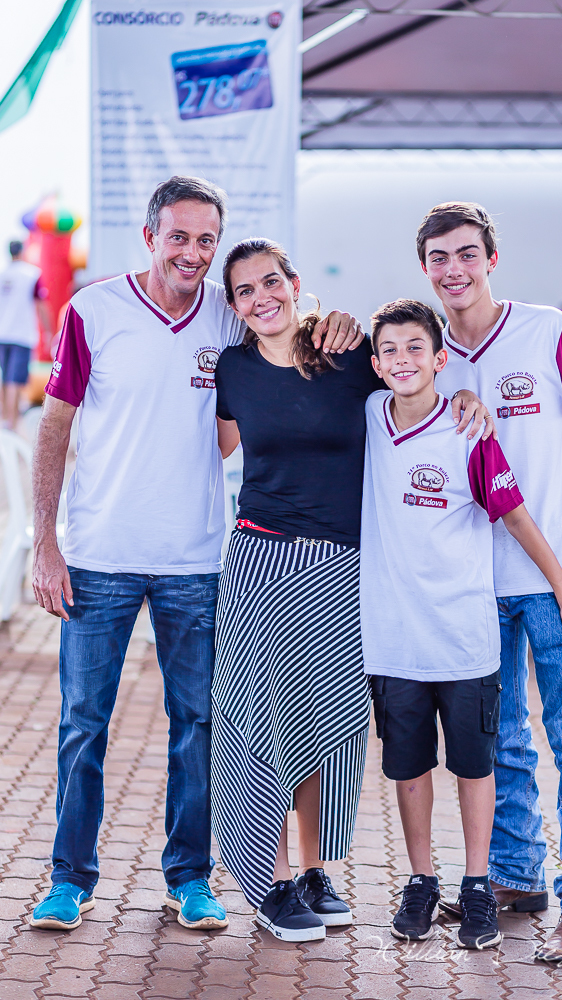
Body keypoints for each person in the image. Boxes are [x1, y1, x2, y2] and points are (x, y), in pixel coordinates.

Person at [29, 176, 363, 933]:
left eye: (206, 239)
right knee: (83, 723)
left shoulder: (228, 312)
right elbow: (55, 426)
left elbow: (288, 334)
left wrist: (338, 320)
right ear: (150, 236)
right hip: (99, 555)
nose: (193, 252)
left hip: (198, 559)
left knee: (199, 727)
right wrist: (46, 542)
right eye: (178, 236)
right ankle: (69, 879)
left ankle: (190, 877)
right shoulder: (93, 310)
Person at [211, 240, 492, 943]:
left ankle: (313, 871)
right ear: (234, 305)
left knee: (327, 731)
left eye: (271, 282)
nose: (261, 298)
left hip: (343, 570)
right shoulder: (232, 369)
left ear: (293, 283)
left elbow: (412, 384)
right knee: (261, 726)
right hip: (261, 560)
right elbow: (216, 447)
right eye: (245, 290)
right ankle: (271, 881)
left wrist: (463, 395)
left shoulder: (347, 356)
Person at [418, 202, 562, 963]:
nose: (454, 270)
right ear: (425, 269)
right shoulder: (427, 352)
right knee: (499, 737)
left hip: (556, 575)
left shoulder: (545, 330)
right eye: (439, 258)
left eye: (466, 254)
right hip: (475, 582)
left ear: (491, 259)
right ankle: (514, 874)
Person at [361, 299, 562, 950]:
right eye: (389, 351)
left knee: (477, 765)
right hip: (395, 640)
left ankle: (476, 884)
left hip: (465, 638)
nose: (402, 360)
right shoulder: (369, 417)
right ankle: (420, 881)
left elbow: (515, 516)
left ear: (441, 359)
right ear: (374, 365)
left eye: (416, 348)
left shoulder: (469, 432)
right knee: (408, 768)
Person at [0, 240, 52, 429]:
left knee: (5, 377)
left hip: (3, 333)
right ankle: (12, 422)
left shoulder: (3, 273)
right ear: (22, 252)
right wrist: (48, 331)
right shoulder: (31, 274)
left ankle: (5, 418)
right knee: (14, 379)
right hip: (21, 334)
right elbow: (42, 305)